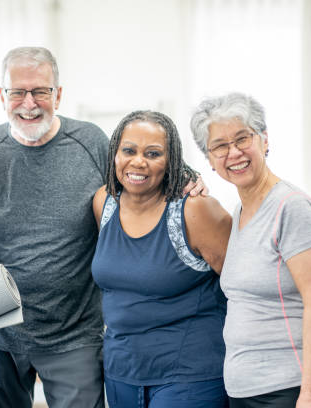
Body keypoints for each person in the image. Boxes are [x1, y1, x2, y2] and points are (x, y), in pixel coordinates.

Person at [0, 47, 206, 408]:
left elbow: (137, 174)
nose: (29, 103)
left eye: (40, 91)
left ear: (58, 94)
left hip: (74, 335)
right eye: (17, 92)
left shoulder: (91, 142)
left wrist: (188, 177)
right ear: (1, 96)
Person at [190, 92, 311, 408]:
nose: (233, 152)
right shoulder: (238, 213)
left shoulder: (292, 208)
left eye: (242, 138)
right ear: (209, 159)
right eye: (220, 146)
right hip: (249, 387)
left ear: (264, 140)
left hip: (294, 387)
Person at [91, 111, 232, 408]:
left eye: (153, 153)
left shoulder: (197, 211)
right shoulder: (103, 202)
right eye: (129, 150)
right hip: (120, 373)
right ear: (115, 155)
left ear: (172, 161)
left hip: (190, 375)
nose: (138, 161)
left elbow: (250, 282)